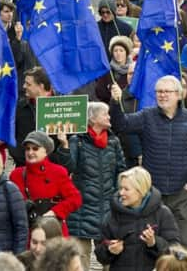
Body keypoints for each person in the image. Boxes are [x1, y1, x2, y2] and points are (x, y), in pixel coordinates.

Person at [110, 76, 187, 249]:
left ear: (178, 95)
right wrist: (116, 102)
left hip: (182, 194)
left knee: (182, 246)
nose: (162, 95)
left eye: (166, 92)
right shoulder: (147, 115)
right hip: (153, 194)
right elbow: (121, 125)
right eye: (159, 92)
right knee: (152, 245)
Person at [58, 102, 127, 270]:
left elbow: (121, 170)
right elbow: (68, 168)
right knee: (80, 259)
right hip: (82, 210)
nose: (109, 117)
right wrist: (64, 146)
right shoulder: (77, 141)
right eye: (106, 114)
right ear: (93, 119)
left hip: (108, 208)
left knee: (111, 258)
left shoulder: (113, 141)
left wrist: (120, 195)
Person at [94, 166, 180, 270]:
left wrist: (154, 243)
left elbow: (174, 250)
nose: (121, 193)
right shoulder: (112, 215)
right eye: (120, 188)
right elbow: (100, 254)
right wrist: (109, 250)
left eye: (126, 189)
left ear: (141, 191)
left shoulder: (162, 213)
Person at [9, 131, 82, 236]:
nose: (30, 152)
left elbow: (75, 199)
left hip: (54, 233)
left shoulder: (58, 172)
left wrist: (54, 213)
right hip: (28, 234)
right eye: (27, 149)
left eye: (35, 148)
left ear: (46, 151)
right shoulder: (16, 174)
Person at [96, 36, 134, 101]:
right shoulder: (107, 71)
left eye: (121, 51)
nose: (118, 53)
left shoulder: (133, 69)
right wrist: (111, 92)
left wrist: (122, 94)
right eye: (115, 51)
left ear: (126, 52)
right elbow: (100, 92)